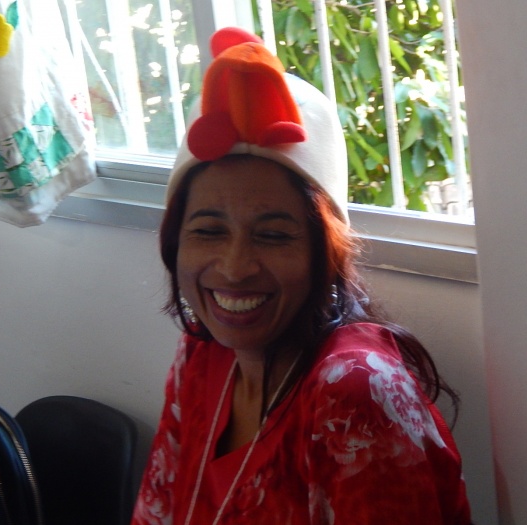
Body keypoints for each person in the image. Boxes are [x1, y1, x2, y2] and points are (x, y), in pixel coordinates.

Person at [131, 27, 472, 525]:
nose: (234, 268)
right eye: (208, 231)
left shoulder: (355, 392)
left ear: (324, 254)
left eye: (273, 236)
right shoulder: (202, 353)